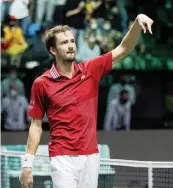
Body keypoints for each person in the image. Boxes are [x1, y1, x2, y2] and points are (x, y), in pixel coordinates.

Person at [19, 14, 153, 188]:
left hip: (91, 156)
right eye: (64, 43)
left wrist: (136, 23)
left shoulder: (90, 70)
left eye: (72, 41)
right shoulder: (42, 84)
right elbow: (36, 126)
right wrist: (27, 165)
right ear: (53, 50)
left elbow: (124, 49)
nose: (70, 46)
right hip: (62, 157)